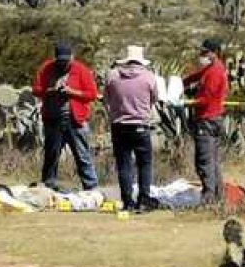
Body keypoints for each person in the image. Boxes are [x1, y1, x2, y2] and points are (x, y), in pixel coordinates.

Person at [33, 42, 99, 191]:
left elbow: (92, 94)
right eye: (60, 61)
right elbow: (36, 89)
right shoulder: (46, 68)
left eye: (66, 61)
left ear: (72, 58)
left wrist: (71, 92)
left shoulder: (81, 70)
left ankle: (91, 188)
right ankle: (48, 186)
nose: (63, 64)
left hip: (75, 119)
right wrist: (50, 91)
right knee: (51, 155)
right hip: (52, 119)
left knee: (82, 155)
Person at [104, 45, 158, 212]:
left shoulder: (112, 76)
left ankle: (127, 201)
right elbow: (154, 99)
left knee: (124, 164)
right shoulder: (149, 77)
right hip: (141, 124)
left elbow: (106, 98)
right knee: (144, 163)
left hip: (119, 124)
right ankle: (144, 198)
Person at [183, 38, 229, 205]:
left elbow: (206, 99)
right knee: (213, 160)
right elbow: (195, 76)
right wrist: (182, 83)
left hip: (207, 119)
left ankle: (209, 199)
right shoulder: (212, 69)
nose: (201, 55)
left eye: (204, 52)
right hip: (212, 118)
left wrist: (188, 102)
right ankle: (218, 196)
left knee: (205, 160)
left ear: (213, 53)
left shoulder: (215, 72)